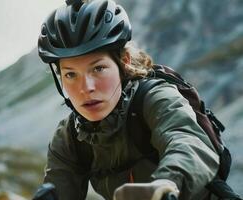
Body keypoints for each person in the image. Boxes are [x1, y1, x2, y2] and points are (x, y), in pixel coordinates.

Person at [37, 0, 221, 199]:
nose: (86, 88)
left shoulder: (155, 98)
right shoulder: (70, 136)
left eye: (98, 69)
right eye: (71, 75)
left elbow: (188, 141)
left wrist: (166, 185)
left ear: (123, 63)